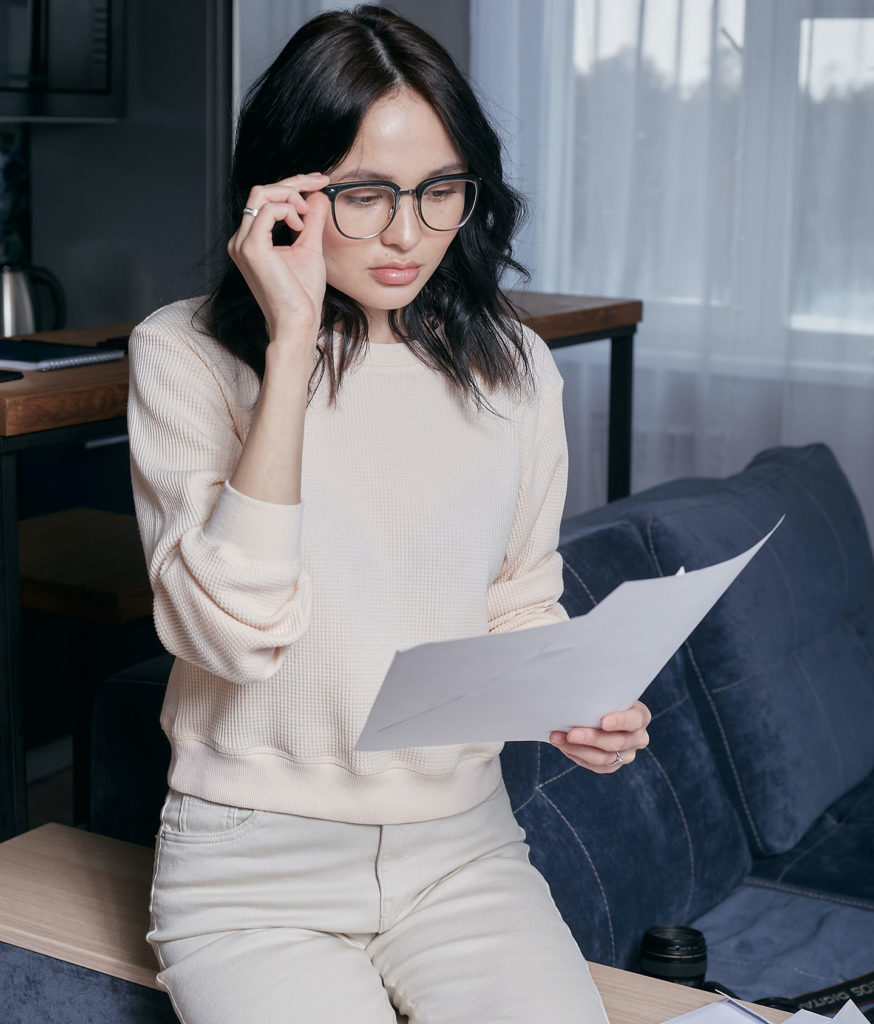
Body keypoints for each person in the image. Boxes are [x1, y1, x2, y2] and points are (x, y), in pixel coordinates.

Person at [128, 6, 651, 1023]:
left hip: (462, 851)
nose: (408, 234)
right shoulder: (182, 355)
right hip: (251, 870)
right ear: (287, 188)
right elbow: (226, 635)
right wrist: (288, 349)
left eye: (440, 190)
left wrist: (573, 697)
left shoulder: (512, 367)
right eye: (364, 194)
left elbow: (514, 598)